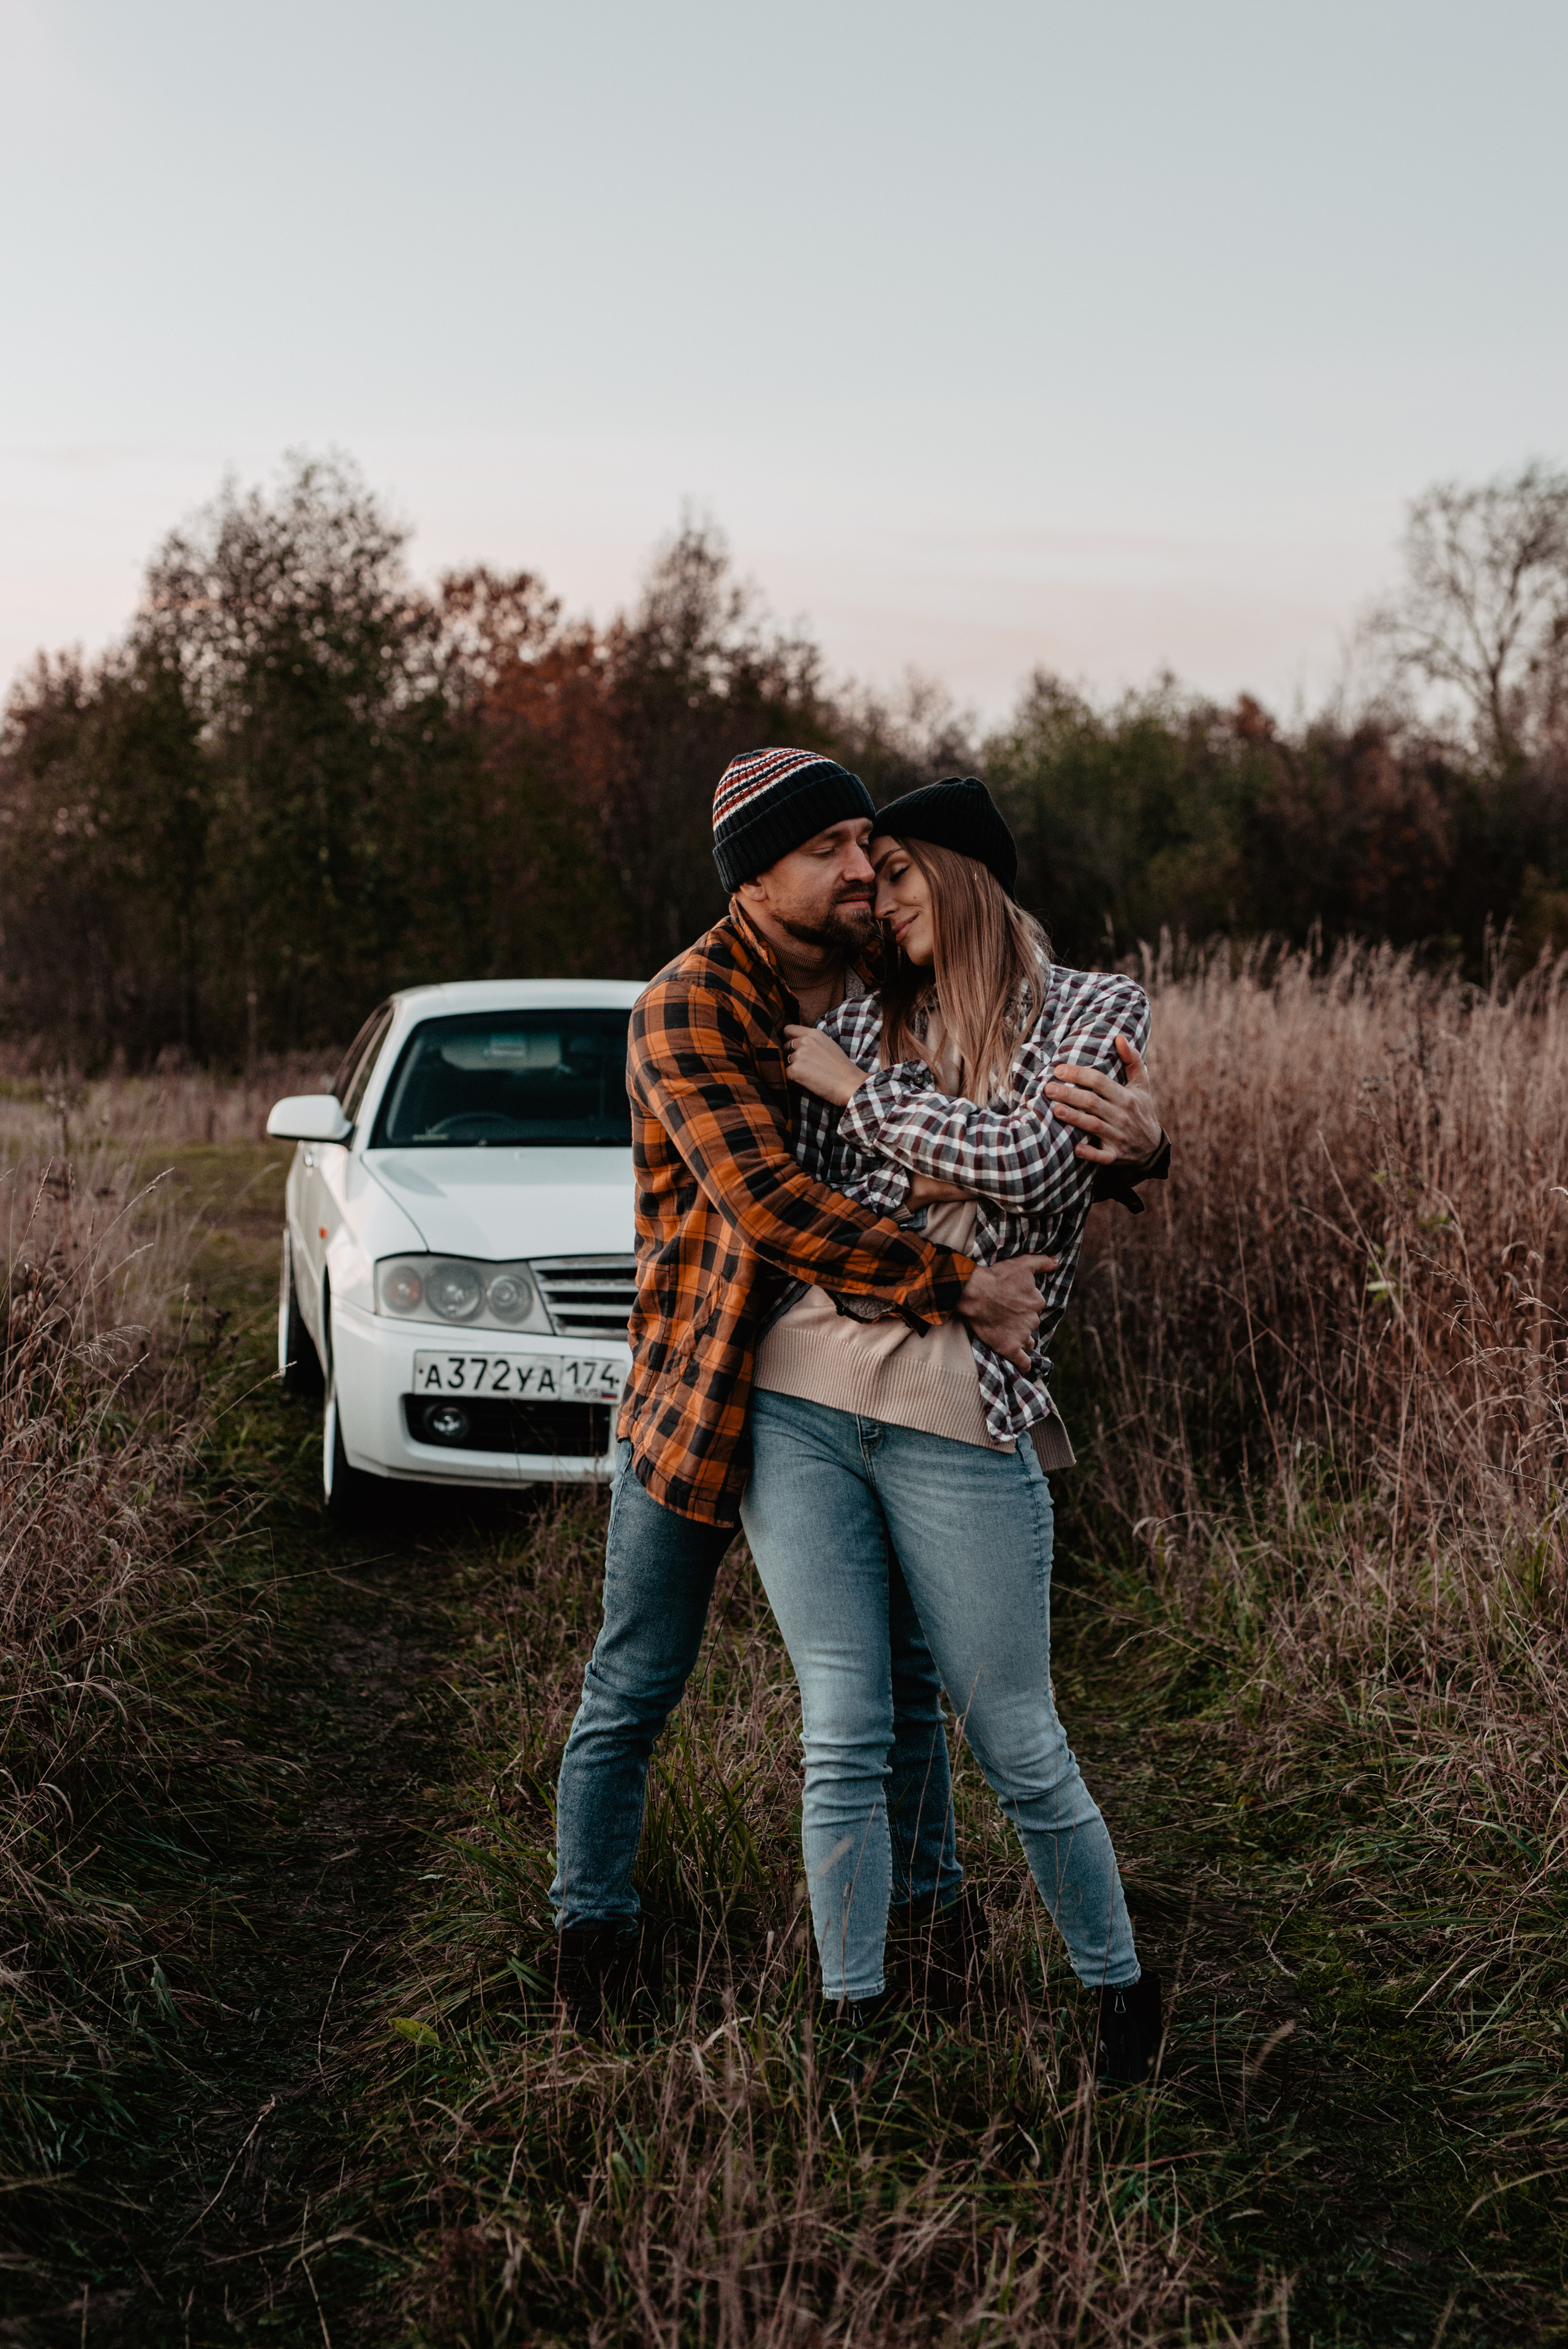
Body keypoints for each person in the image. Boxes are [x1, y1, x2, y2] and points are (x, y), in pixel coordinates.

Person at [549, 749, 1166, 2029]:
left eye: (868, 853)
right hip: (706, 1376)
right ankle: (592, 1929)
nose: (858, 875)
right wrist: (956, 1285)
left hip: (886, 1379)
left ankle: (930, 1924)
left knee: (898, 1690)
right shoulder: (690, 1008)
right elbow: (777, 1206)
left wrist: (1138, 1150)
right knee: (638, 1675)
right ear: (753, 875)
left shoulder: (884, 971)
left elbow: (1012, 1123)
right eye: (828, 850)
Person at [740, 776, 1164, 2084]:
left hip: (958, 1412)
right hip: (800, 1394)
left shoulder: (1098, 1007)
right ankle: (853, 2028)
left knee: (1012, 1733)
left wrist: (872, 1104)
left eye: (900, 875)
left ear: (964, 875)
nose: (879, 898)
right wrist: (938, 1170)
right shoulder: (864, 1012)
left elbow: (1035, 1168)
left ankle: (1121, 2003)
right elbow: (825, 1203)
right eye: (865, 876)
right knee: (843, 1727)